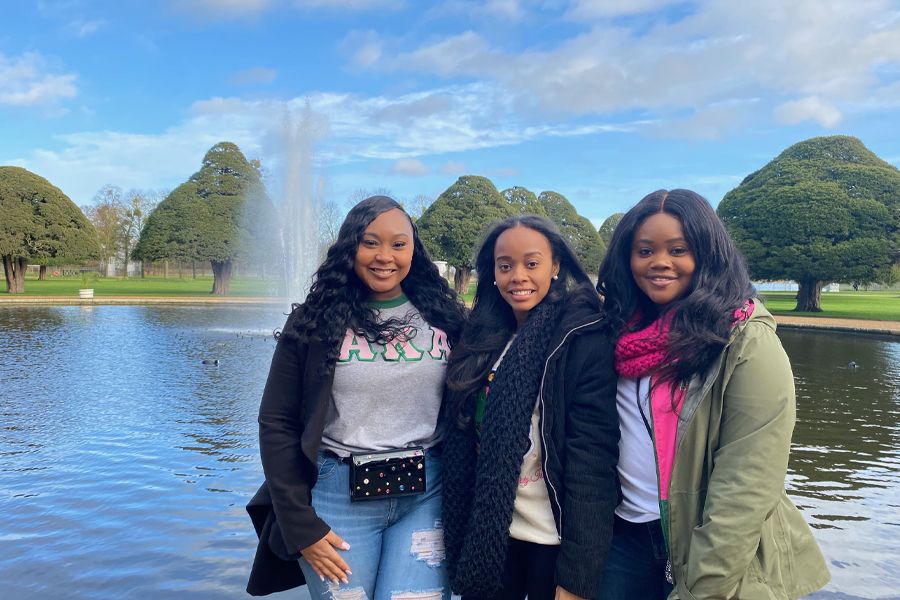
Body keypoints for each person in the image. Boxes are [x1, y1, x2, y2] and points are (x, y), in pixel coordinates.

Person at [594, 189, 830, 599]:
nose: (659, 262)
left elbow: (747, 485)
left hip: (706, 542)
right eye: (644, 250)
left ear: (707, 254)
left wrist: (700, 589)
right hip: (623, 541)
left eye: (678, 249)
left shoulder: (746, 342)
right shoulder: (617, 334)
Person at [246, 196, 467, 599]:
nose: (386, 256)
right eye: (371, 242)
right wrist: (300, 525)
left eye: (399, 244)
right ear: (351, 247)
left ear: (414, 250)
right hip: (337, 496)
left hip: (428, 494)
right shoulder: (314, 322)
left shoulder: (445, 318)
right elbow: (275, 422)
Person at [441, 215, 620, 600]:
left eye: (531, 263)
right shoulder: (482, 338)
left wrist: (578, 579)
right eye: (505, 266)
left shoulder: (580, 338)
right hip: (490, 535)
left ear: (555, 266)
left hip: (551, 540)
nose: (517, 276)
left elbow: (593, 462)